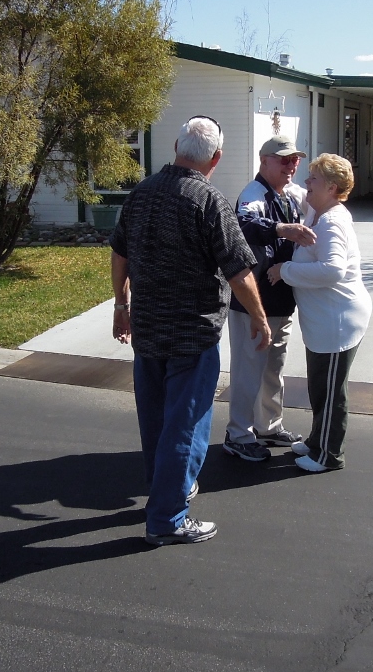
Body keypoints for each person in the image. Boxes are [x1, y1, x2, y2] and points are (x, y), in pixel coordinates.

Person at [111, 116, 271, 545]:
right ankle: (168, 518)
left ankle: (166, 489)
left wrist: (121, 305)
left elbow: (119, 254)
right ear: (216, 157)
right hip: (191, 336)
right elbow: (238, 270)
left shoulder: (140, 193)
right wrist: (258, 317)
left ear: (176, 146)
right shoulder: (208, 201)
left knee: (157, 421)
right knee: (186, 425)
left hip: (147, 331)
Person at [267, 153, 371, 472]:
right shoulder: (319, 211)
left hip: (337, 322)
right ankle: (317, 441)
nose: (306, 183)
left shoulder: (331, 221)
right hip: (323, 323)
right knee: (319, 386)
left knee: (331, 391)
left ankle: (329, 455)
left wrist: (284, 270)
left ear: (333, 187)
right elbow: (293, 194)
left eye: (314, 179)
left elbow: (332, 271)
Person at [223, 134, 317, 462]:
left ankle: (269, 426)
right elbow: (247, 223)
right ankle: (238, 434)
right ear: (264, 161)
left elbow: (322, 201)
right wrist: (283, 229)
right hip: (253, 300)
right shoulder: (254, 193)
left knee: (273, 368)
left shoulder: (292, 194)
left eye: (295, 160)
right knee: (249, 369)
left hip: (280, 300)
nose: (291, 165)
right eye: (284, 159)